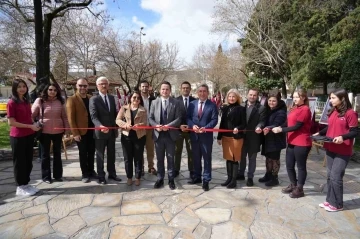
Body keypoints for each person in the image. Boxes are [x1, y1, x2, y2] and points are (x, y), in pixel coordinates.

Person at [315, 89, 358, 212]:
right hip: (330, 147)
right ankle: (330, 201)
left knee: (336, 176)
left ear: (342, 98)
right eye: (330, 97)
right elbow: (330, 127)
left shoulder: (351, 113)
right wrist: (319, 132)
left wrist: (342, 137)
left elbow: (355, 132)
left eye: (333, 98)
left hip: (343, 150)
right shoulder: (334, 111)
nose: (330, 100)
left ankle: (338, 204)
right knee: (329, 176)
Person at [272, 89, 312, 198]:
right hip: (292, 141)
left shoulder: (305, 109)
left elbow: (297, 126)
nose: (295, 99)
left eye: (297, 97)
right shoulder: (294, 108)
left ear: (303, 97)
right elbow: (288, 122)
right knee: (289, 165)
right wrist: (280, 126)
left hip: (302, 142)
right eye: (294, 97)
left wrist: (281, 130)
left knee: (301, 167)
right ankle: (293, 184)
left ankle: (300, 188)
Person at [7, 78, 41, 196]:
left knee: (28, 162)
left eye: (24, 86)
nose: (22, 89)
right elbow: (11, 122)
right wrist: (29, 126)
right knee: (19, 162)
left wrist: (34, 124)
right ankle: (20, 186)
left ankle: (26, 184)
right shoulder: (12, 102)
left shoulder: (26, 101)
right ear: (15, 89)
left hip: (28, 135)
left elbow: (29, 117)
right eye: (19, 87)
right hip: (18, 136)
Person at [32, 83, 70, 184]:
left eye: (55, 90)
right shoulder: (40, 101)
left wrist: (67, 129)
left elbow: (64, 117)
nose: (52, 92)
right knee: (45, 155)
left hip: (58, 131)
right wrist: (36, 124)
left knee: (57, 154)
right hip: (44, 132)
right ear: (46, 90)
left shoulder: (60, 101)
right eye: (50, 89)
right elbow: (32, 115)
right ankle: (46, 177)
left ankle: (58, 175)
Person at [149, 81, 182, 190]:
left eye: (167, 89)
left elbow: (178, 118)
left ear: (170, 90)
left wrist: (169, 126)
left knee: (170, 158)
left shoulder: (175, 102)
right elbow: (150, 118)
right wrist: (156, 126)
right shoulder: (154, 102)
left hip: (170, 135)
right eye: (163, 89)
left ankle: (171, 179)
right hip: (158, 135)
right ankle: (160, 178)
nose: (165, 91)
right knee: (159, 159)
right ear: (160, 90)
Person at [89, 76, 121, 185]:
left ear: (108, 85)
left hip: (111, 132)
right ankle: (101, 176)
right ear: (97, 86)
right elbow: (93, 117)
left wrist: (120, 123)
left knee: (111, 154)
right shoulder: (94, 99)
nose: (104, 85)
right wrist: (100, 126)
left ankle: (112, 173)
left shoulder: (112, 98)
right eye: (101, 84)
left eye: (105, 83)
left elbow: (114, 114)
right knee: (100, 155)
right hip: (100, 133)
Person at [187, 84, 218, 191]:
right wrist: (192, 126)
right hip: (194, 136)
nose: (202, 93)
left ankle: (206, 180)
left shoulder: (212, 105)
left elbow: (214, 120)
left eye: (204, 91)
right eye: (200, 91)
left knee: (207, 159)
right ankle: (197, 177)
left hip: (206, 137)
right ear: (197, 93)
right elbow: (188, 118)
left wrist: (205, 128)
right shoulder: (192, 104)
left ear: (208, 92)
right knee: (196, 158)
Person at [66, 78, 97, 183]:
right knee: (83, 153)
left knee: (92, 152)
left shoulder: (91, 98)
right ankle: (85, 173)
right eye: (80, 85)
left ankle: (91, 171)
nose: (83, 88)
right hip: (80, 132)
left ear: (87, 86)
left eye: (84, 86)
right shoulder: (72, 99)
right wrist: (75, 133)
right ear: (76, 86)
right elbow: (71, 118)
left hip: (92, 131)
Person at [116, 91, 147, 186]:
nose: (136, 99)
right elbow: (117, 120)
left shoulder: (143, 110)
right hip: (126, 136)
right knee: (127, 158)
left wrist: (139, 125)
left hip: (139, 136)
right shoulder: (124, 108)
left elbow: (145, 122)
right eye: (134, 97)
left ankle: (138, 177)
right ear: (130, 98)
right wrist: (125, 125)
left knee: (138, 158)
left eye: (138, 98)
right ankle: (129, 177)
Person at [217, 89, 246, 189]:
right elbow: (222, 123)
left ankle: (234, 181)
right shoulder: (225, 108)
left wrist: (238, 128)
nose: (231, 98)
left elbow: (244, 124)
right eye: (229, 96)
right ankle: (229, 179)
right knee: (228, 158)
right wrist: (219, 137)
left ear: (237, 98)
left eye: (233, 96)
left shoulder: (241, 109)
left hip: (236, 138)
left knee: (234, 159)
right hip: (226, 137)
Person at [238, 88, 266, 186]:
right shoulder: (241, 106)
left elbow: (262, 121)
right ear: (247, 95)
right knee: (241, 157)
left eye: (254, 95)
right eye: (250, 94)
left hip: (254, 138)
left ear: (257, 96)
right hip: (242, 136)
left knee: (252, 158)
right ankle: (241, 173)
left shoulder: (261, 108)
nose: (252, 97)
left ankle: (250, 177)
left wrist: (259, 126)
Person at [259, 93, 287, 186]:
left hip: (276, 139)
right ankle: (268, 174)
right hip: (268, 138)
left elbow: (277, 124)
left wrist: (268, 128)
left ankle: (275, 178)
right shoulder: (268, 110)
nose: (271, 102)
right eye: (270, 100)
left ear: (278, 102)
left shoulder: (281, 112)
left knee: (274, 158)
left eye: (274, 101)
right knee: (268, 157)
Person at [174, 81, 196, 178]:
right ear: (181, 89)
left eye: (187, 88)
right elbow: (173, 116)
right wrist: (179, 126)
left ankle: (192, 169)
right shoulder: (175, 100)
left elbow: (196, 116)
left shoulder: (194, 101)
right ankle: (176, 169)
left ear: (190, 89)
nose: (185, 89)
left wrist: (191, 126)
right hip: (178, 130)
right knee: (177, 150)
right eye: (184, 88)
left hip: (190, 131)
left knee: (191, 151)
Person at [139, 80, 157, 175]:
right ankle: (140, 168)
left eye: (146, 86)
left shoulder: (153, 99)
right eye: (143, 86)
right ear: (140, 87)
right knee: (140, 149)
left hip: (150, 128)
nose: (144, 88)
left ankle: (151, 167)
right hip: (140, 128)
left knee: (150, 149)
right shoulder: (136, 98)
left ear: (149, 87)